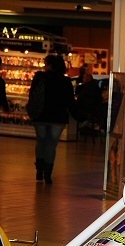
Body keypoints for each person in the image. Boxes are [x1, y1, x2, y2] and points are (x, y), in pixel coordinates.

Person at [29, 54, 75, 184]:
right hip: (58, 118)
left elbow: (32, 94)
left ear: (49, 65)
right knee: (51, 145)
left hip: (41, 116)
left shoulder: (40, 77)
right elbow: (70, 101)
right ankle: (48, 174)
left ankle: (39, 170)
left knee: (41, 141)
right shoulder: (66, 81)